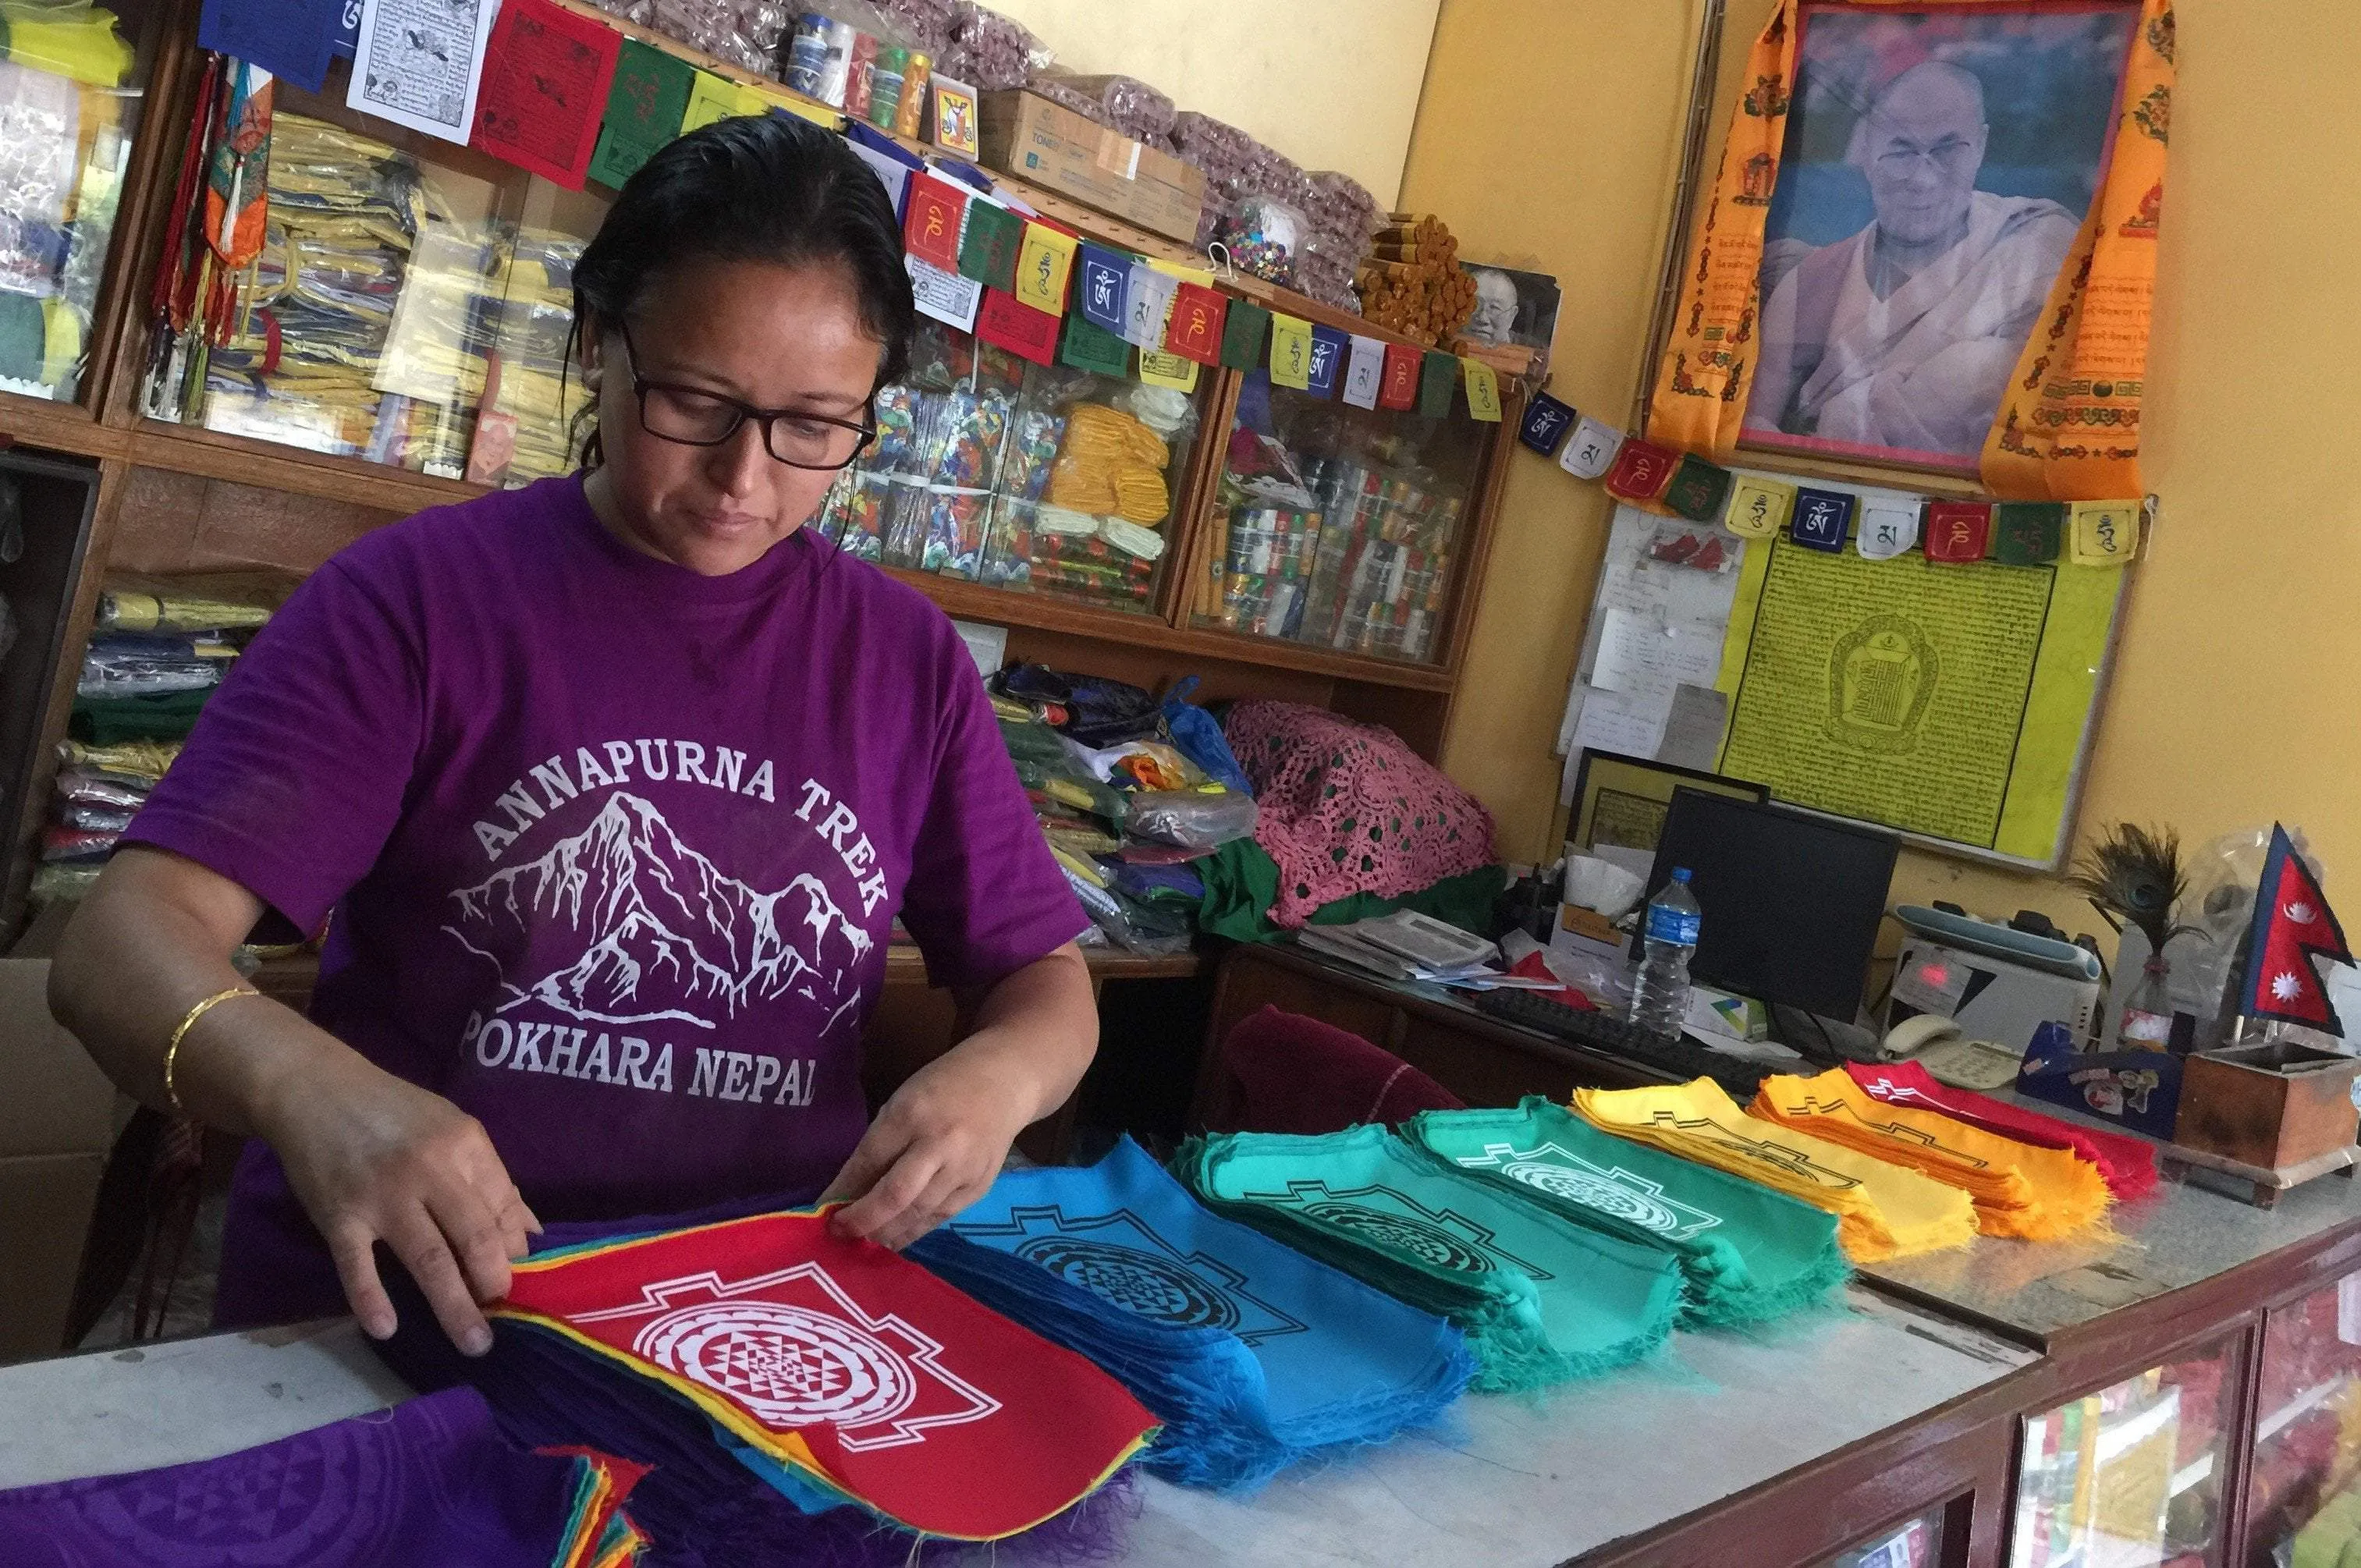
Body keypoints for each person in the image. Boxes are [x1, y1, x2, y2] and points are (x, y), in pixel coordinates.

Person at [48, 114, 1099, 1358]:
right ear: (597, 341)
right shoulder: (420, 601)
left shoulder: (904, 659)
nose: (742, 480)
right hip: (418, 1313)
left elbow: (1046, 987)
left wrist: (996, 1086)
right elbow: (116, 947)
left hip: (755, 1323)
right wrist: (309, 1089)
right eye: (693, 403)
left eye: (815, 426)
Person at [1744, 59, 2079, 459]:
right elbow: (1755, 429)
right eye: (1901, 151)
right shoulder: (1809, 288)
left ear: (1981, 148)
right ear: (1866, 149)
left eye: (1948, 150)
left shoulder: (2037, 247)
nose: (1924, 179)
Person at [1462, 267, 1520, 348]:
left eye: (1495, 308)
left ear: (1512, 316)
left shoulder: (1535, 352)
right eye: (1474, 304)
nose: (1482, 318)